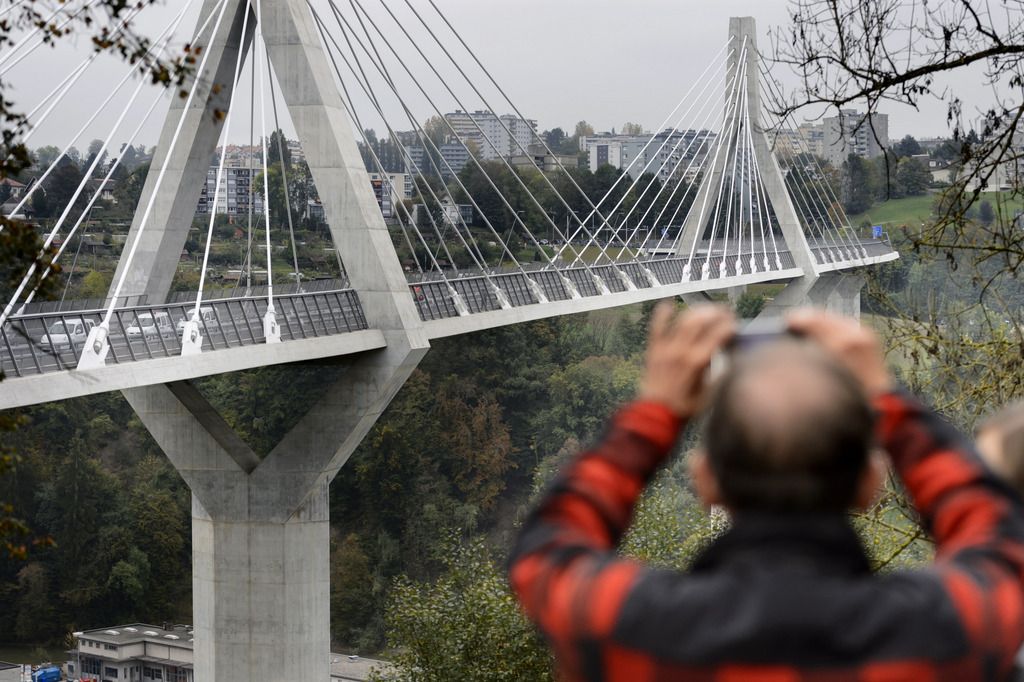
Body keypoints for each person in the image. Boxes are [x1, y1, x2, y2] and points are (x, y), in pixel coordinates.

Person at [508, 303, 1024, 681]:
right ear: (872, 484)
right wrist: (887, 396)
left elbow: (546, 551)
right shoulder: (940, 631)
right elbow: (1000, 540)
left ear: (705, 480)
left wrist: (655, 411)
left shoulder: (638, 628)